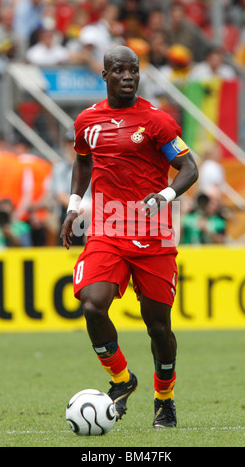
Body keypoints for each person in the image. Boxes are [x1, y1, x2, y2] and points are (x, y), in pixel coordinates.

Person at [60, 45, 198, 428]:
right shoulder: (87, 121)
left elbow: (189, 167)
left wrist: (166, 194)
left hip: (154, 233)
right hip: (107, 228)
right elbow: (83, 159)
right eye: (119, 71)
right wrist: (74, 206)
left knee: (158, 326)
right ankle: (122, 380)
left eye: (133, 71)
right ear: (104, 76)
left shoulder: (158, 122)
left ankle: (164, 399)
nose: (127, 77)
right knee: (92, 304)